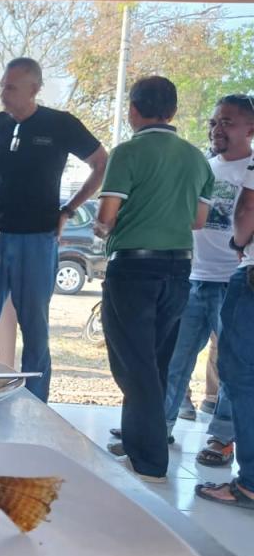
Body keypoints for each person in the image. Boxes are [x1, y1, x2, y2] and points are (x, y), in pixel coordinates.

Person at [0, 58, 108, 402]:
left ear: (34, 89)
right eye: (2, 85)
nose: (3, 93)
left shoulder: (60, 124)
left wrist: (70, 210)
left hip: (39, 239)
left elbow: (102, 162)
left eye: (11, 87)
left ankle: (36, 403)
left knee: (35, 330)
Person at [96, 76, 214, 483]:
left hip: (133, 267)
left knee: (134, 362)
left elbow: (107, 216)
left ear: (132, 109)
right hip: (180, 267)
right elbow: (198, 220)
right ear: (174, 111)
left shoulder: (127, 152)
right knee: (157, 360)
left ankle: (147, 459)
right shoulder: (196, 157)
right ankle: (142, 440)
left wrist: (103, 227)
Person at [162, 95, 252, 465]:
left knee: (232, 366)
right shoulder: (202, 166)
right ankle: (160, 424)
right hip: (193, 276)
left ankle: (222, 438)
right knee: (175, 358)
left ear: (250, 129)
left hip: (235, 279)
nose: (217, 129)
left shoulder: (251, 168)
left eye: (227, 122)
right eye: (215, 121)